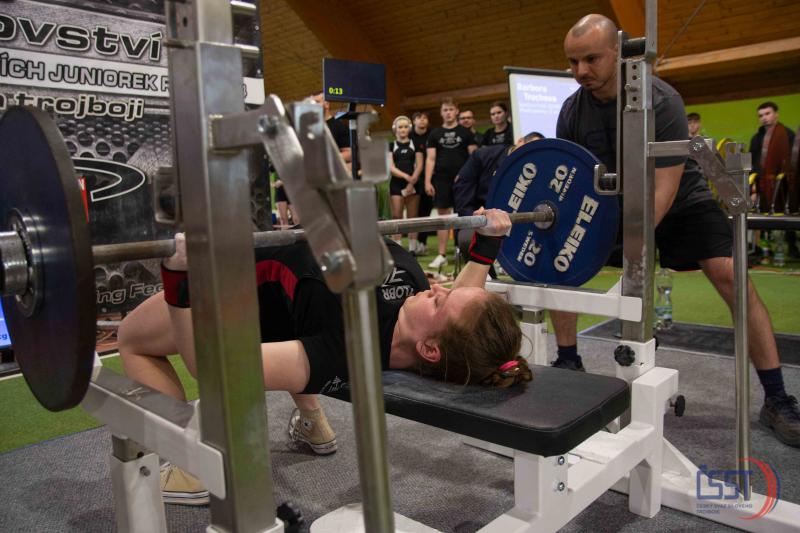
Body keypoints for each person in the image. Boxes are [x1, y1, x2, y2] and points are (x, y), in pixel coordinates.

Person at [118, 208, 529, 504]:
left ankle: (192, 463)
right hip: (292, 301)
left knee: (132, 339)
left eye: (440, 301)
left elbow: (209, 368)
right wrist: (486, 247)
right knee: (303, 329)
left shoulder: (341, 351)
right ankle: (313, 423)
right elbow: (463, 312)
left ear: (429, 348)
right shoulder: (421, 314)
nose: (438, 288)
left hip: (238, 288)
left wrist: (180, 279)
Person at [551, 13, 800, 447]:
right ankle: (569, 362)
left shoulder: (661, 100)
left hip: (681, 200)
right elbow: (570, 179)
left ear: (618, 52)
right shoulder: (573, 110)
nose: (580, 71)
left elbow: (661, 193)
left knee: (732, 276)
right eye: (573, 62)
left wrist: (630, 250)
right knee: (561, 261)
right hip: (615, 203)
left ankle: (777, 398)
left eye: (591, 59)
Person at [453, 131, 544, 260]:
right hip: (480, 219)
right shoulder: (483, 155)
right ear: (520, 141)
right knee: (468, 239)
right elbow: (463, 195)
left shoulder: (535, 170)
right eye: (527, 148)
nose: (528, 154)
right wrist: (478, 219)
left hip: (513, 224)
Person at [424, 98, 478, 268]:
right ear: (441, 113)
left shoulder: (466, 133)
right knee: (443, 216)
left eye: (451, 109)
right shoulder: (435, 134)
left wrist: (465, 175)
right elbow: (430, 159)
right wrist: (427, 181)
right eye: (445, 110)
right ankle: (441, 254)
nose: (448, 113)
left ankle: (463, 251)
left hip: (463, 181)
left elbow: (474, 158)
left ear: (456, 111)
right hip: (441, 180)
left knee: (463, 215)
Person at [749, 102, 796, 214]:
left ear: (776, 114)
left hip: (784, 185)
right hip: (761, 185)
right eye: (761, 115)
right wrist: (753, 189)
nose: (764, 118)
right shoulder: (756, 138)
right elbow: (752, 163)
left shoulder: (788, 135)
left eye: (767, 113)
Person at [388, 116, 424, 248]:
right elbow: (391, 167)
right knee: (396, 215)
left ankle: (412, 248)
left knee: (412, 217)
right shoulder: (391, 145)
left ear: (409, 128)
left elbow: (419, 165)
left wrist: (412, 181)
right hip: (397, 184)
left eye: (405, 127)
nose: (403, 129)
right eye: (400, 127)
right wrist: (406, 177)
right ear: (395, 129)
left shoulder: (416, 145)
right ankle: (397, 246)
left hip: (413, 184)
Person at [410, 111, 433, 256]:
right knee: (414, 213)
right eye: (419, 118)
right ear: (413, 121)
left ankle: (422, 242)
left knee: (425, 211)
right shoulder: (409, 136)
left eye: (425, 118)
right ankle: (412, 244)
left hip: (429, 178)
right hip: (411, 179)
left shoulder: (432, 135)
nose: (422, 120)